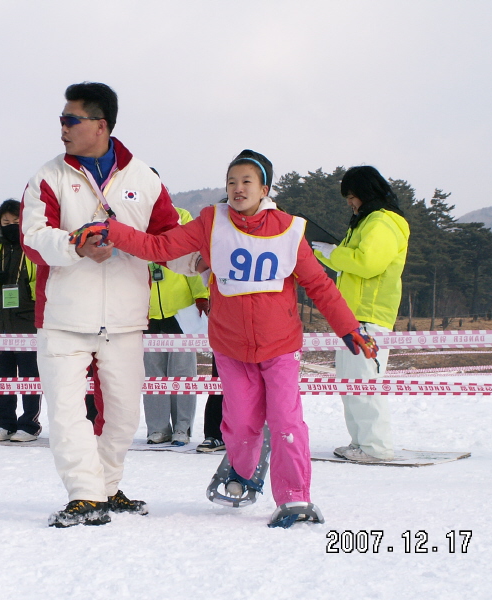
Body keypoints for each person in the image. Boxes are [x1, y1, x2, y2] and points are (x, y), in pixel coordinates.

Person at [95, 149, 377, 528]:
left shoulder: (291, 229)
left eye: (246, 182)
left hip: (280, 346)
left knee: (286, 423)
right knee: (241, 423)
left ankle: (294, 497)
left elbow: (319, 285)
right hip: (230, 346)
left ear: (265, 189)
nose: (238, 188)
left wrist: (347, 327)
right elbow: (161, 248)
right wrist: (115, 232)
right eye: (231, 182)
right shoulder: (212, 221)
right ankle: (243, 471)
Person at [20, 82, 192, 527]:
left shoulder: (144, 179)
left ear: (100, 125)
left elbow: (169, 240)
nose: (61, 128)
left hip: (125, 319)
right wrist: (75, 245)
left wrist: (211, 262)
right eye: (61, 119)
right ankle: (84, 494)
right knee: (65, 412)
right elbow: (33, 239)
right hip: (62, 318)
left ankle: (108, 488)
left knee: (123, 414)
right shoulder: (49, 176)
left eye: (70, 119)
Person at [312, 166, 410, 463]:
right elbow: (350, 262)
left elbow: (368, 263)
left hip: (368, 315)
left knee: (364, 383)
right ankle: (361, 443)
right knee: (350, 382)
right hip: (351, 315)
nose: (350, 203)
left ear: (366, 193)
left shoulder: (383, 222)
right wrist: (325, 251)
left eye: (352, 196)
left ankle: (375, 447)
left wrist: (333, 253)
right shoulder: (366, 221)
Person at [0, 199, 42, 443]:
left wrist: (29, 287)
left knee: (29, 377)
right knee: (2, 378)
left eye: (16, 221)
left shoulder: (34, 247)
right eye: (6, 222)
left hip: (27, 322)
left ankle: (29, 424)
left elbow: (44, 280)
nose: (11, 225)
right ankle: (3, 424)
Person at [144, 206, 210, 446]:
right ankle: (157, 428)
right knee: (153, 374)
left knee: (182, 372)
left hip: (181, 310)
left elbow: (194, 261)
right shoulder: (133, 219)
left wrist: (201, 295)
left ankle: (182, 427)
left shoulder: (181, 217)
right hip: (146, 311)